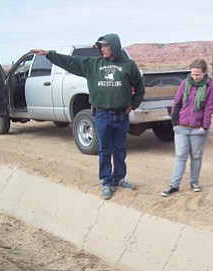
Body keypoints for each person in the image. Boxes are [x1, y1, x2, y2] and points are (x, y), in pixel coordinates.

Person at [30, 33, 145, 200]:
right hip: (101, 115)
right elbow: (70, 62)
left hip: (121, 115)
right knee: (104, 150)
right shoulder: (92, 64)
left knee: (120, 149)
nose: (103, 49)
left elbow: (140, 90)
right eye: (101, 46)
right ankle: (106, 182)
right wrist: (49, 55)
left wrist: (132, 106)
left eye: (106, 46)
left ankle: (119, 178)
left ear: (114, 46)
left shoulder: (129, 65)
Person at [161, 59, 213, 197]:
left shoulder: (211, 87)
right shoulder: (185, 84)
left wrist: (205, 126)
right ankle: (174, 185)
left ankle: (194, 182)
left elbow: (209, 108)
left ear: (204, 73)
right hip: (182, 126)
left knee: (196, 156)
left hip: (198, 128)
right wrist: (174, 122)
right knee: (180, 156)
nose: (195, 77)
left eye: (197, 75)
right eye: (192, 74)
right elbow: (177, 103)